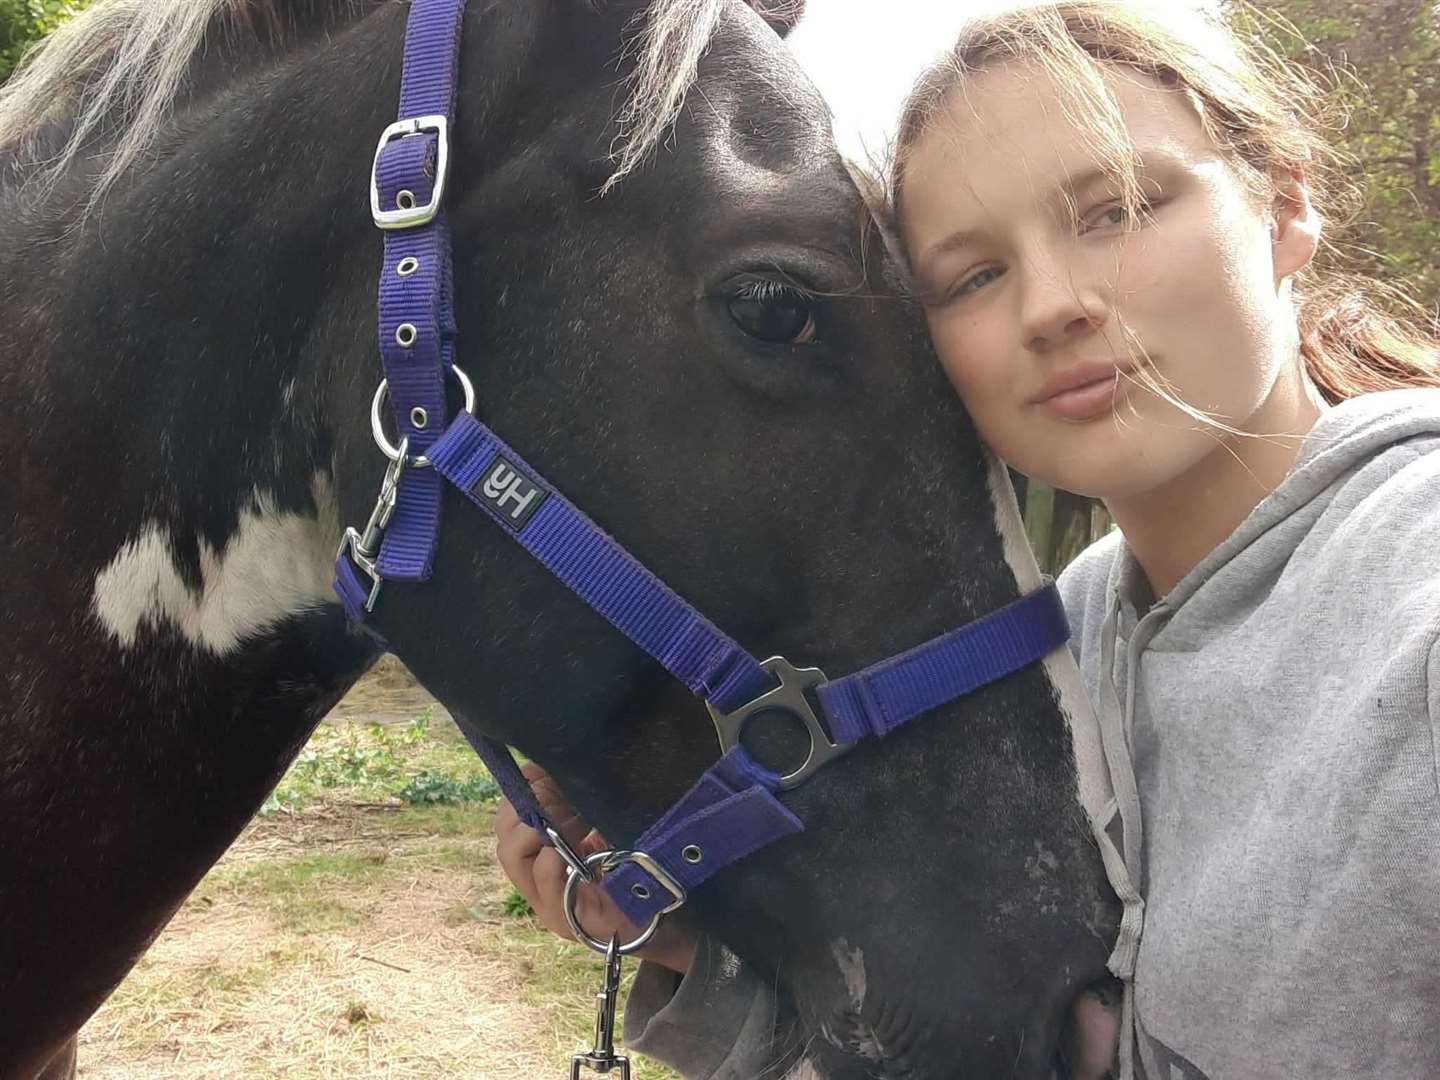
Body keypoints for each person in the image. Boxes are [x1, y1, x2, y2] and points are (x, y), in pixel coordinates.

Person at [496, 1, 1440, 1076]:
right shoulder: (1047, 646)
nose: (1052, 305)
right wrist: (694, 951)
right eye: (973, 277)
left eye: (1119, 207)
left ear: (1286, 205)